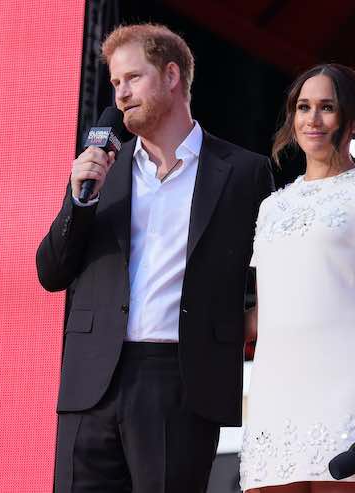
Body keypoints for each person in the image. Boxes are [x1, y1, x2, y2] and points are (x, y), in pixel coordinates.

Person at [36, 23, 274, 493]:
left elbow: (274, 267)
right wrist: (80, 201)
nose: (121, 94)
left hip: (181, 380)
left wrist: (253, 319)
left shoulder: (244, 172)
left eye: (133, 78)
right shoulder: (101, 167)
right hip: (92, 380)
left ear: (171, 76)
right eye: (115, 83)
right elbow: (51, 271)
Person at [240, 64, 355, 493]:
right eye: (303, 107)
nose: (312, 120)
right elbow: (267, 311)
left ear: (353, 121)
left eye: (327, 108)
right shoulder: (272, 207)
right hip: (274, 391)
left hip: (348, 387)